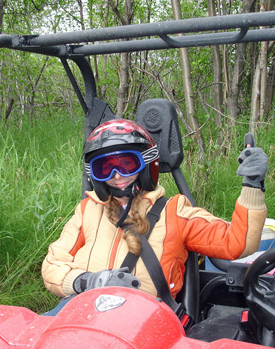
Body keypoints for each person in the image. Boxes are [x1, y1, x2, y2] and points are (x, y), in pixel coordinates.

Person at [41, 118, 268, 310]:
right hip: (82, 310)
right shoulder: (88, 210)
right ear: (96, 175)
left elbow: (237, 243)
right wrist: (86, 281)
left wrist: (252, 186)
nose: (117, 175)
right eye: (105, 168)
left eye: (126, 164)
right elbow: (53, 264)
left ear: (146, 165)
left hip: (142, 319)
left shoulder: (174, 212)